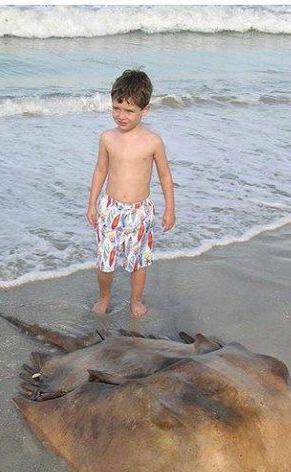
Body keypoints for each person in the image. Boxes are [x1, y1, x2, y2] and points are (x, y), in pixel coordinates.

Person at [86, 69, 176, 317]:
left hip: (139, 211)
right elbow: (100, 171)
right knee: (105, 259)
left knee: (138, 261)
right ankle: (104, 296)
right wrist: (92, 203)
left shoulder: (152, 141)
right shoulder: (107, 138)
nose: (121, 116)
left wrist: (170, 208)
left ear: (144, 110)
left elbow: (165, 176)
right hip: (110, 208)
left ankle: (135, 299)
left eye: (129, 110)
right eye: (116, 108)